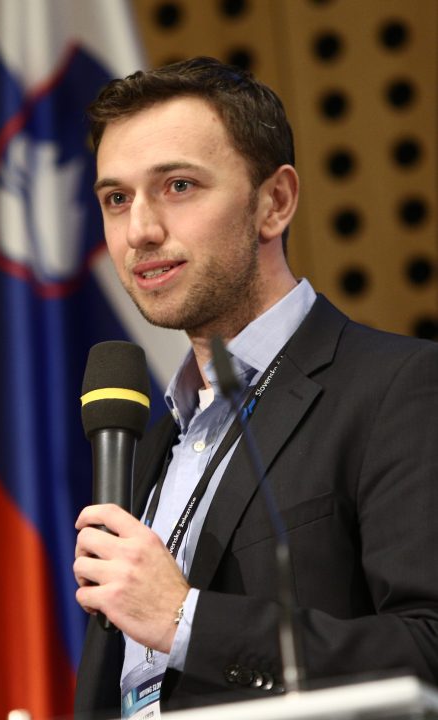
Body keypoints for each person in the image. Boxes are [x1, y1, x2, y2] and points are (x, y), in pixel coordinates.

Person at [73, 57, 438, 718]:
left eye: (178, 186)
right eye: (116, 199)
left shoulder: (400, 389)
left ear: (275, 202)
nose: (140, 231)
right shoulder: (154, 445)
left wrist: (186, 619)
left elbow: (428, 647)